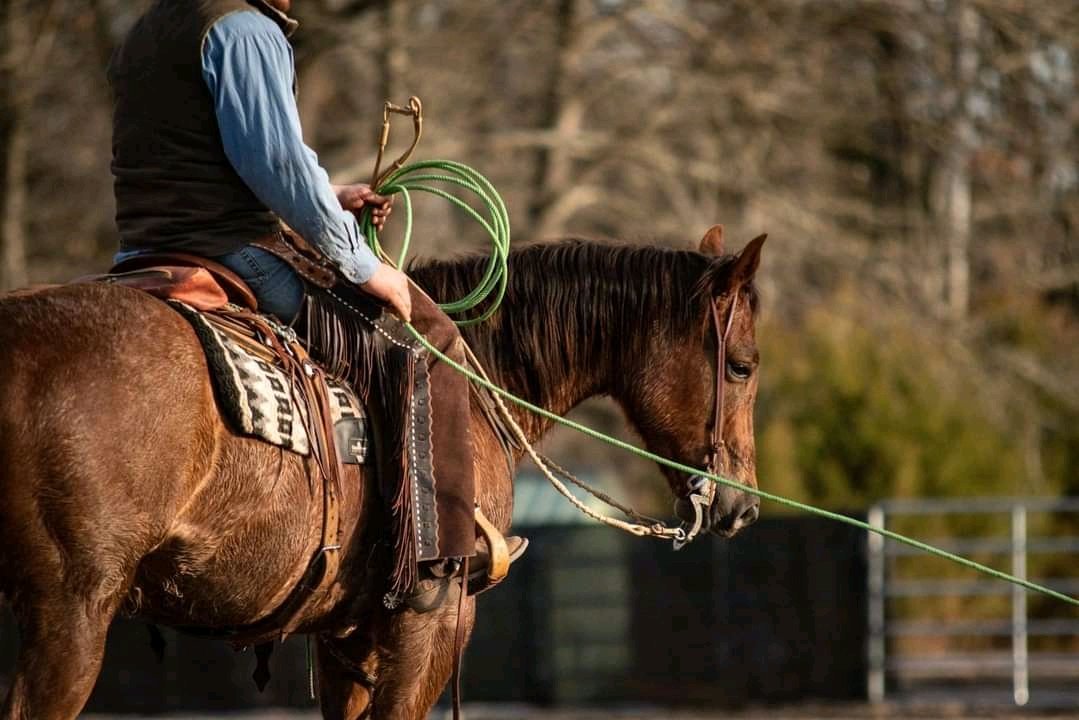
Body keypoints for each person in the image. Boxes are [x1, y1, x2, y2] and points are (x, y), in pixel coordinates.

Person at [108, 0, 522, 607]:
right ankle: (435, 557)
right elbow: (275, 164)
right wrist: (365, 265)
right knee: (428, 337)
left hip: (141, 253)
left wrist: (330, 195)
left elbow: (207, 154)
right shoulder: (242, 30)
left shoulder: (149, 26)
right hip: (228, 249)